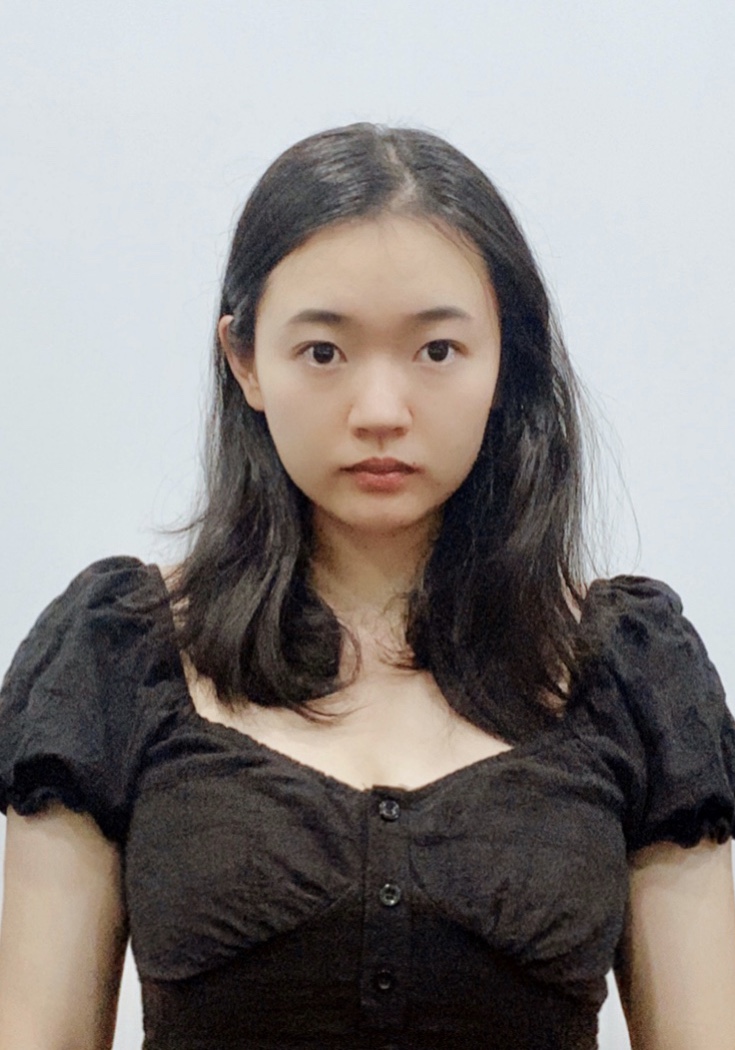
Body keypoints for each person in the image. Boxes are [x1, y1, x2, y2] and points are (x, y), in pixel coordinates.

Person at [0, 122, 734, 1050]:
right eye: (323, 351)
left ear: (506, 360)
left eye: (436, 351)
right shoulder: (116, 653)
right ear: (244, 360)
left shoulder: (631, 672)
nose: (380, 411)